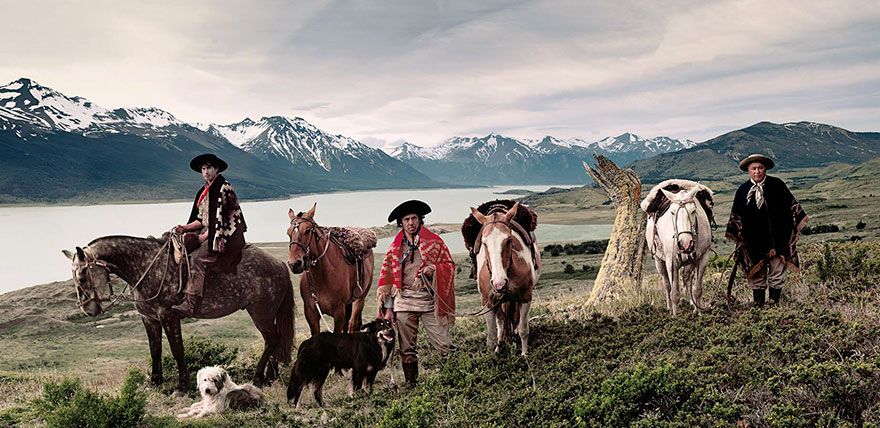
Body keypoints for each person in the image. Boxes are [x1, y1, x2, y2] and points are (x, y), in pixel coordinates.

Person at [375, 200, 456, 385]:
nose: (410, 223)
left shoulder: (435, 242)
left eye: (414, 218)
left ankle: (453, 380)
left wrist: (434, 269)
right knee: (407, 349)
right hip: (403, 301)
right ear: (401, 223)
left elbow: (449, 265)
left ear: (420, 220)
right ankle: (412, 384)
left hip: (429, 301)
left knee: (443, 343)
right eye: (406, 219)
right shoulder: (395, 248)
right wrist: (388, 309)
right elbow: (387, 281)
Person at [726, 154, 808, 307]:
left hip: (779, 239)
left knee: (777, 273)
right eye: (754, 168)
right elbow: (736, 217)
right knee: (757, 275)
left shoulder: (777, 185)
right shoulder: (742, 191)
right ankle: (758, 306)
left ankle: (773, 306)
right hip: (752, 243)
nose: (757, 172)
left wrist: (785, 236)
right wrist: (739, 239)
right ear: (748, 171)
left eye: (760, 168)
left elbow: (791, 210)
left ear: (765, 169)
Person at [172, 154, 248, 316]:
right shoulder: (204, 191)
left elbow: (223, 221)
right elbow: (201, 219)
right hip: (210, 232)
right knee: (181, 248)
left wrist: (204, 237)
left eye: (209, 168)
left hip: (225, 236)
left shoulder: (224, 188)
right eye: (203, 169)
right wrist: (184, 228)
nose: (205, 172)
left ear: (216, 169)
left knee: (198, 259)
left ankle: (191, 302)